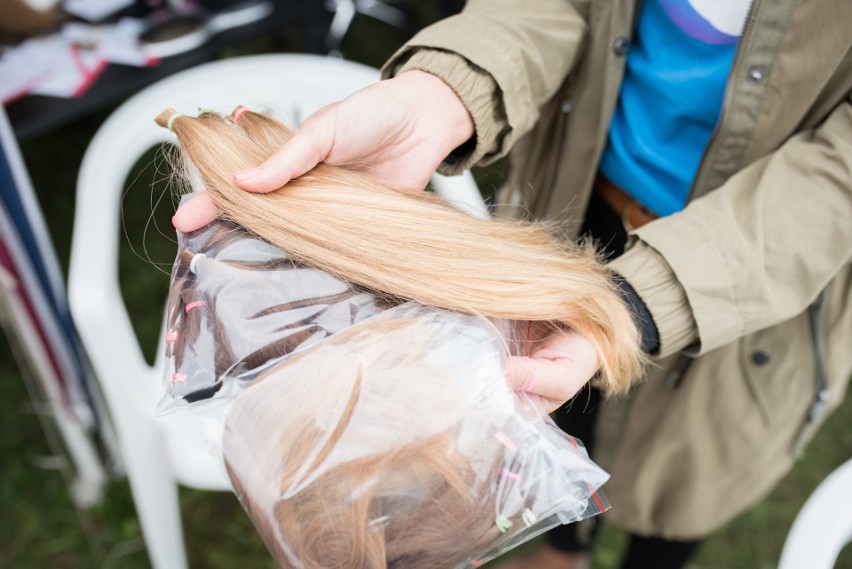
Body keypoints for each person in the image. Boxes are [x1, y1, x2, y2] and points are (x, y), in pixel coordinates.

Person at [174, 0, 852, 567]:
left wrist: (643, 301)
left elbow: (836, 177)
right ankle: (560, 548)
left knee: (683, 482)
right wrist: (442, 92)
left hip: (751, 285)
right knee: (544, 430)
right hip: (566, 219)